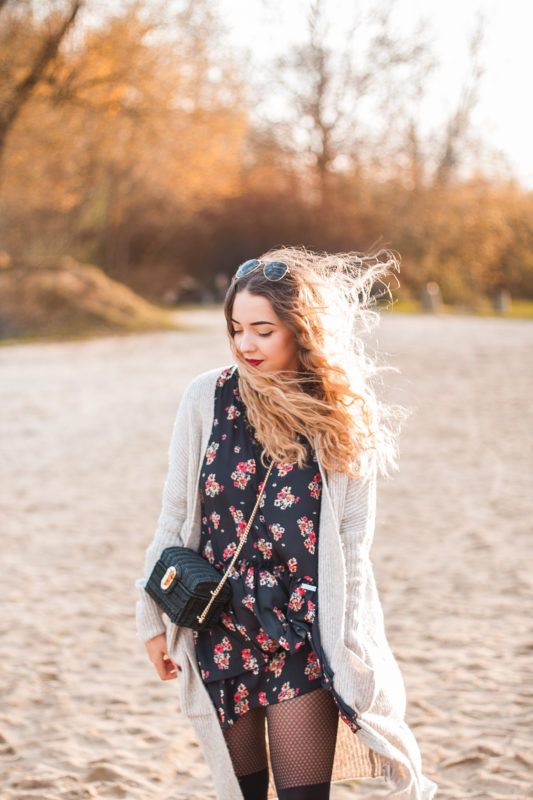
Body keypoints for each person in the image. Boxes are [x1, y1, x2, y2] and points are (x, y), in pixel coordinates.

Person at [135, 247, 438, 800]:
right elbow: (176, 517)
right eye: (236, 329)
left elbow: (351, 549)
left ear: (302, 331)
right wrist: (149, 616)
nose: (246, 344)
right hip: (218, 627)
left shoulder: (341, 416)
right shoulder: (206, 397)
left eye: (262, 330)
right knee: (244, 792)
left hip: (303, 633)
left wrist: (349, 649)